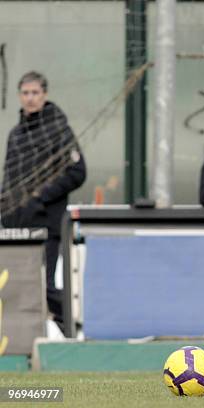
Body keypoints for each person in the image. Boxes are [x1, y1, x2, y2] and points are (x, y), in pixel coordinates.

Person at [0, 71, 86, 328]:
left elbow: (77, 172)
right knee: (16, 286)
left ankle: (73, 326)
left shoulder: (58, 130)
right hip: (16, 225)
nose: (30, 98)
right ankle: (23, 343)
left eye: (35, 92)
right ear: (19, 96)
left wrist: (40, 198)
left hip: (46, 224)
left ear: (45, 95)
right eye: (25, 93)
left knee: (43, 285)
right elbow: (10, 177)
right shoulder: (16, 134)